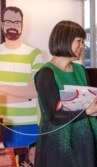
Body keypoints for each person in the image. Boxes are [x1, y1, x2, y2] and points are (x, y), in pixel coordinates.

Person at [34, 20, 97, 167]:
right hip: (60, 144)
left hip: (85, 141)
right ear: (64, 39)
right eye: (78, 41)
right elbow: (53, 116)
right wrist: (88, 111)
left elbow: (86, 101)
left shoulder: (80, 70)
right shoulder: (46, 73)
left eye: (82, 41)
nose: (82, 46)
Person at [0, 6, 43, 147]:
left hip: (29, 124)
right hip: (2, 124)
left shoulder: (34, 54)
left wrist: (3, 88)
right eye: (8, 22)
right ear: (1, 24)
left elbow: (34, 91)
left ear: (22, 26)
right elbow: (28, 93)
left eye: (17, 23)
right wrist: (23, 94)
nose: (13, 26)